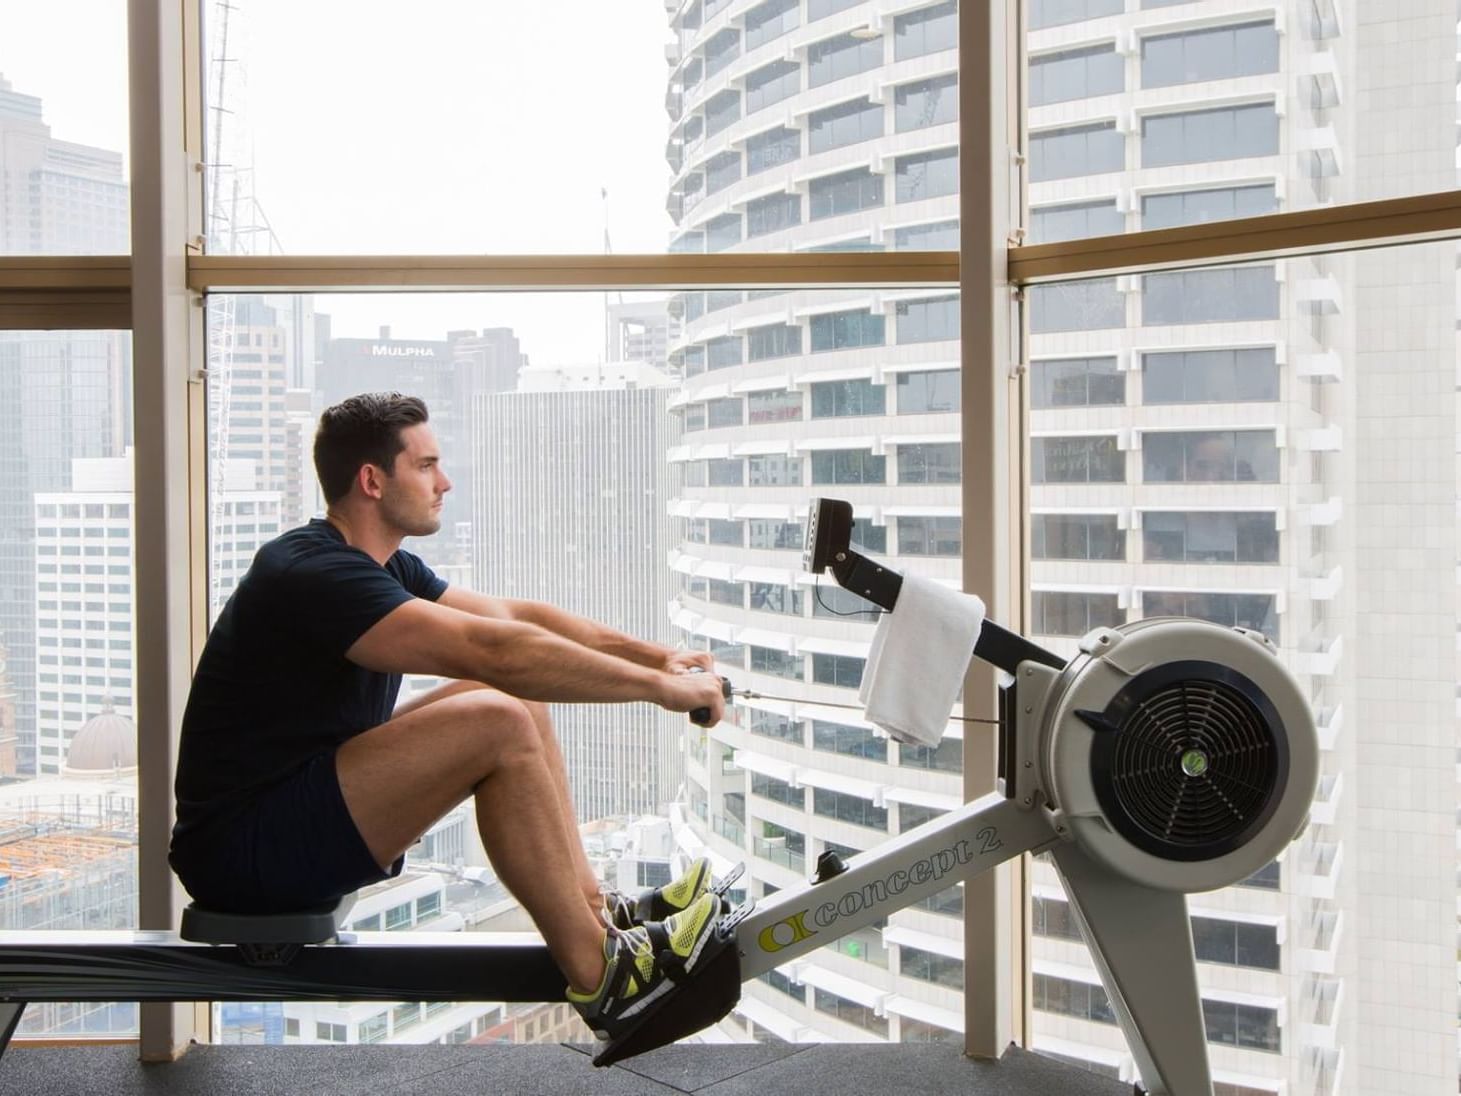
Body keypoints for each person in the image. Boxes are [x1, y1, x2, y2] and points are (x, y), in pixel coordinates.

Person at [168, 391, 730, 1041]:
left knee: (514, 703)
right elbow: (491, 649)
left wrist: (660, 657)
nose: (445, 482)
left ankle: (598, 915)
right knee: (496, 715)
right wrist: (657, 689)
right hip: (245, 850)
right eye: (427, 465)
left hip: (291, 811)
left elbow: (515, 620)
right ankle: (611, 982)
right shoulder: (310, 572)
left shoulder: (378, 564)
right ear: (373, 480)